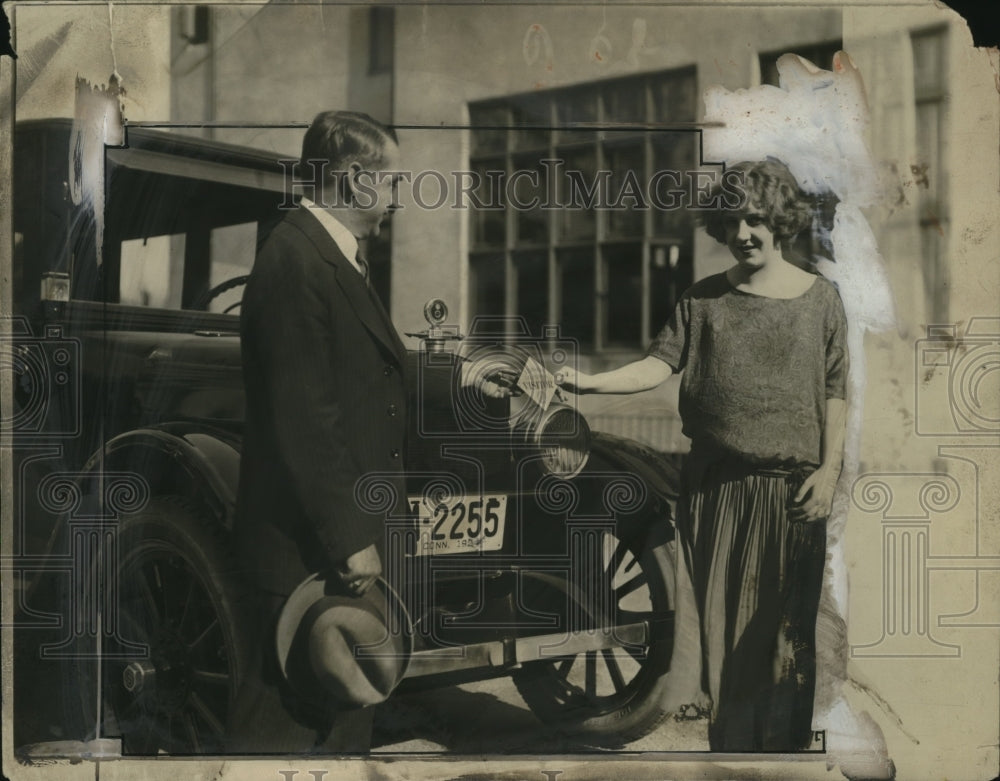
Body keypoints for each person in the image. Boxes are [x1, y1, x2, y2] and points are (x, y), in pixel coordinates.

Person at [556, 159, 848, 752]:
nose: (744, 233)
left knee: (787, 645)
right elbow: (656, 365)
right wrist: (586, 381)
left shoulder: (822, 299)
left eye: (756, 219)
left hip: (792, 496)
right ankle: (735, 758)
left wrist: (829, 471)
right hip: (715, 491)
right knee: (725, 643)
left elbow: (837, 391)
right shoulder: (703, 300)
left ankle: (782, 761)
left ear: (781, 221)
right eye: (732, 220)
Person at [228, 110, 409, 753]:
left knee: (337, 732)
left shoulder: (330, 256)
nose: (395, 200)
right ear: (358, 181)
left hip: (334, 553)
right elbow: (305, 420)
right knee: (279, 738)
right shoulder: (294, 260)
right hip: (308, 555)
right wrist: (352, 538)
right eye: (391, 183)